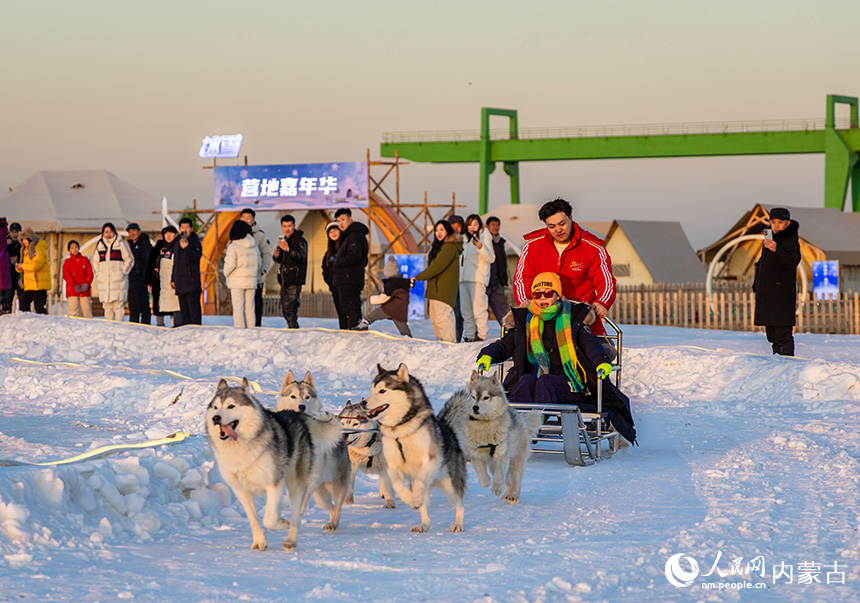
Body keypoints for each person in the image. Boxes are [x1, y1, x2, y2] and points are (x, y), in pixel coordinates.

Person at [476, 272, 636, 444]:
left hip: (568, 385)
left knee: (546, 382)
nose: (542, 298)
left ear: (557, 295)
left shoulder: (572, 322)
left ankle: (534, 424)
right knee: (525, 381)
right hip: (534, 382)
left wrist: (601, 363)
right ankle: (514, 425)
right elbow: (504, 345)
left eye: (548, 293)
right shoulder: (526, 323)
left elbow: (591, 346)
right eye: (537, 294)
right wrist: (486, 355)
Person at [513, 198, 616, 337]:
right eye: (552, 226)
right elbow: (522, 278)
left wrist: (602, 303)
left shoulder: (592, 247)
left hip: (580, 317)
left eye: (562, 223)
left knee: (602, 352)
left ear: (570, 218)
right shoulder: (533, 246)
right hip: (542, 315)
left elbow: (606, 282)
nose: (558, 230)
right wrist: (524, 300)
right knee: (519, 346)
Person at [753, 207, 801, 356]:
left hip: (782, 294)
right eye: (773, 222)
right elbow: (764, 264)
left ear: (787, 223)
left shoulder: (791, 240)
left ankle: (787, 363)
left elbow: (793, 261)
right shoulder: (769, 238)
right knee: (772, 335)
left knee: (783, 334)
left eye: (780, 222)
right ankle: (776, 363)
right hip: (768, 294)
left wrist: (777, 249)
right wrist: (757, 284)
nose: (776, 225)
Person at [412, 220, 462, 342]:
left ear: (448, 231)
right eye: (436, 230)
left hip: (443, 292)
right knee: (436, 322)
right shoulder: (439, 248)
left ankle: (450, 346)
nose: (438, 233)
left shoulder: (449, 248)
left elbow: (436, 267)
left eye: (442, 230)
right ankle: (443, 346)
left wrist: (418, 277)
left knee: (444, 321)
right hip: (435, 292)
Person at [459, 214, 495, 342]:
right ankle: (469, 335)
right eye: (469, 224)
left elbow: (491, 258)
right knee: (466, 310)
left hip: (477, 278)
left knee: (479, 309)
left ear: (479, 225)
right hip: (463, 278)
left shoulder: (484, 237)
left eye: (475, 224)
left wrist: (480, 247)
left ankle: (482, 335)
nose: (472, 227)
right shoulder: (464, 239)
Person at [355, 256, 412, 337]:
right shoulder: (402, 283)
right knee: (401, 324)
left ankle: (364, 324)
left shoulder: (391, 284)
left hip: (390, 308)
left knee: (373, 315)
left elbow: (385, 297)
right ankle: (408, 336)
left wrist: (372, 299)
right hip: (401, 308)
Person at [331, 208, 369, 330]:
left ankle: (356, 336)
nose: (340, 223)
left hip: (349, 279)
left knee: (351, 310)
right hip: (346, 279)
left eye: (343, 219)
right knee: (347, 310)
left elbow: (354, 255)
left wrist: (338, 261)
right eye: (338, 221)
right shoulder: (348, 236)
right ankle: (352, 334)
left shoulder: (354, 235)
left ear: (350, 219)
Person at [239, 208, 274, 327]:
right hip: (241, 277)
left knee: (256, 304)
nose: (246, 220)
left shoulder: (259, 235)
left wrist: (263, 270)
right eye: (243, 217)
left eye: (249, 217)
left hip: (255, 277)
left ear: (253, 220)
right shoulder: (236, 234)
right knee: (241, 304)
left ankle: (256, 327)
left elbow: (267, 253)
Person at [93, 222, 134, 321]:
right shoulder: (100, 245)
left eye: (111, 232)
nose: (108, 234)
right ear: (103, 233)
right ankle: (109, 326)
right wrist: (98, 274)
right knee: (107, 306)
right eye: (106, 232)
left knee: (118, 306)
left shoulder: (120, 244)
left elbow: (130, 259)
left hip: (118, 281)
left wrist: (123, 272)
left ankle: (119, 325)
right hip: (104, 282)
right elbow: (94, 262)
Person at [223, 220, 260, 328]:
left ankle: (240, 331)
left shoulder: (233, 246)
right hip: (251, 281)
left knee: (238, 308)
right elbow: (259, 263)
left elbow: (229, 265)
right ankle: (251, 329)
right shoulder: (254, 245)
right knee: (250, 307)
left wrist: (226, 274)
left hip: (237, 282)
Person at [272, 214, 308, 329]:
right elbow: (281, 260)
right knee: (285, 308)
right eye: (284, 226)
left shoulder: (300, 241)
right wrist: (277, 255)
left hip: (294, 278)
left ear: (294, 226)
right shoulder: (284, 241)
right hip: (284, 278)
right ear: (281, 227)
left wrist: (288, 249)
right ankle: (292, 328)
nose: (287, 228)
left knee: (291, 308)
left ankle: (293, 329)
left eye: (289, 226)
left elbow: (302, 256)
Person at [171, 217, 203, 325]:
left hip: (192, 283)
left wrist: (187, 247)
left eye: (187, 227)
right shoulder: (177, 243)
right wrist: (173, 278)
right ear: (179, 228)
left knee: (194, 312)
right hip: (180, 282)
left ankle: (197, 333)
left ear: (191, 228)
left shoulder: (195, 242)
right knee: (184, 313)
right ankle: (186, 336)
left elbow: (196, 257)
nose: (185, 230)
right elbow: (175, 262)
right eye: (182, 227)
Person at [15, 227, 51, 315]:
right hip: (29, 284)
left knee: (39, 307)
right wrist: (19, 268)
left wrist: (22, 266)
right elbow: (25, 265)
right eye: (22, 240)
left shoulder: (38, 249)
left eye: (25, 239)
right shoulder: (25, 250)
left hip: (39, 283)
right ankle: (28, 321)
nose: (24, 241)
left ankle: (45, 323)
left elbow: (36, 265)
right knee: (23, 304)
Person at [154, 226, 181, 327]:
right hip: (164, 282)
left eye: (171, 234)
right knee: (168, 304)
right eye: (166, 234)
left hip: (174, 283)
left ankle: (175, 324)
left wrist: (174, 279)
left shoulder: (177, 247)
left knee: (175, 305)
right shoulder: (164, 249)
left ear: (176, 235)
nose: (168, 236)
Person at [484, 215, 509, 327]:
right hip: (485, 282)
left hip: (497, 282)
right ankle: (475, 335)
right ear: (487, 226)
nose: (495, 227)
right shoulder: (483, 241)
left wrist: (504, 280)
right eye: (493, 225)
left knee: (503, 310)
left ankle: (509, 331)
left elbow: (502, 263)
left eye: (497, 224)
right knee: (480, 310)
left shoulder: (500, 242)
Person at [126, 223, 153, 325]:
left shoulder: (145, 244)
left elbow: (148, 262)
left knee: (143, 306)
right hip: (131, 279)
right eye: (130, 232)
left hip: (141, 280)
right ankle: (134, 326)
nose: (132, 234)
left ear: (139, 231)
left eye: (134, 231)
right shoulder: (130, 246)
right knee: (133, 306)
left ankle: (146, 326)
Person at [321, 222, 346, 327]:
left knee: (348, 311)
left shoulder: (345, 248)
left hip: (346, 285)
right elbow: (324, 269)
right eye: (330, 232)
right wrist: (330, 282)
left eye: (335, 230)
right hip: (335, 287)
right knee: (341, 313)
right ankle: (344, 332)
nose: (333, 233)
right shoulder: (328, 253)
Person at [62, 240, 94, 318]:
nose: (75, 249)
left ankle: (90, 327)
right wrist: (74, 285)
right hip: (72, 289)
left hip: (84, 289)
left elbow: (90, 273)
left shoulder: (85, 260)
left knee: (87, 311)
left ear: (79, 248)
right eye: (72, 248)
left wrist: (87, 283)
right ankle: (73, 327)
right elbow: (66, 275)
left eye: (76, 247)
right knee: (73, 311)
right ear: (69, 250)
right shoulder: (68, 262)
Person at [448, 214, 466, 342]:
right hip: (449, 282)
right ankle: (450, 336)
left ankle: (458, 336)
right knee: (450, 312)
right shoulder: (444, 242)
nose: (455, 229)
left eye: (458, 226)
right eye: (452, 226)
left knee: (461, 312)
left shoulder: (467, 241)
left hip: (464, 281)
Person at [4, 222, 23, 311]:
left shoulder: (23, 243)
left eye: (17, 232)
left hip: (20, 276)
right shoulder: (4, 242)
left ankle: (23, 315)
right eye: (12, 232)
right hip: (8, 275)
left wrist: (18, 259)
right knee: (8, 298)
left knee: (22, 298)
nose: (15, 234)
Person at [0, 218, 11, 314]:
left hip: (1, 262)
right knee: (2, 288)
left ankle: (3, 308)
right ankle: (5, 307)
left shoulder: (1, 231)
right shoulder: (3, 230)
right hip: (3, 261)